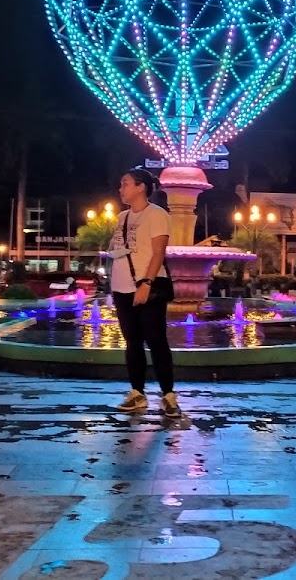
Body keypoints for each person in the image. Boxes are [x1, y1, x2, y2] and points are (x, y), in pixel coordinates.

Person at [108, 167, 180, 418]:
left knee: (156, 340)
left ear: (141, 187)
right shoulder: (122, 217)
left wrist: (146, 283)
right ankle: (137, 393)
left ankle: (168, 395)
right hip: (121, 287)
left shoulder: (157, 214)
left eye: (125, 183)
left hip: (146, 285)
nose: (121, 189)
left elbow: (158, 252)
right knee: (132, 341)